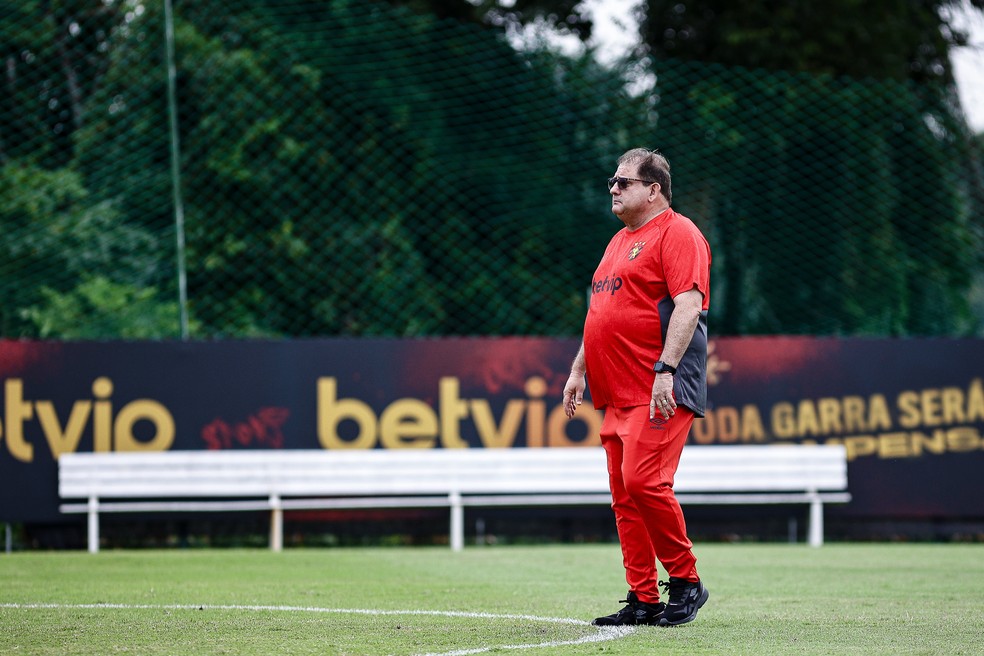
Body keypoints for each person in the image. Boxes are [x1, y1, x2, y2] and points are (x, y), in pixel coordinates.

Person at [563, 148, 711, 627]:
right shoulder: (616, 242)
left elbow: (688, 306)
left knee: (646, 482)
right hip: (617, 393)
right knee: (626, 495)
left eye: (623, 182)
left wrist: (665, 369)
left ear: (654, 190)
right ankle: (644, 596)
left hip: (658, 388)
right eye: (613, 181)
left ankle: (686, 582)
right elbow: (599, 314)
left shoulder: (678, 232)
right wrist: (579, 370)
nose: (613, 188)